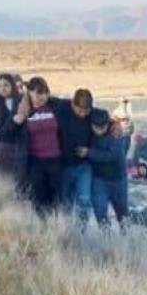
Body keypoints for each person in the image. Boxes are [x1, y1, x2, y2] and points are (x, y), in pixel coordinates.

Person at [53, 88, 107, 221]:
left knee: (84, 199)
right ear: (73, 104)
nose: (83, 114)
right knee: (65, 200)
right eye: (80, 110)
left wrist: (115, 124)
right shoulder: (61, 108)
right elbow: (44, 98)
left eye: (86, 111)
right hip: (63, 165)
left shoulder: (93, 113)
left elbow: (105, 118)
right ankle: (67, 230)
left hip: (84, 165)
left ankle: (81, 231)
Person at [12, 77, 62, 214]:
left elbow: (77, 107)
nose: (42, 98)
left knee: (55, 200)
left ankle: (55, 227)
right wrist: (16, 121)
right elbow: (7, 133)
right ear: (30, 94)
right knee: (38, 200)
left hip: (55, 161)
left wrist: (112, 120)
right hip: (35, 162)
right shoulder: (23, 109)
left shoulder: (55, 105)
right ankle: (42, 229)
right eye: (38, 95)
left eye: (45, 94)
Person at [78, 114, 129, 227]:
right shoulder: (89, 131)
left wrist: (89, 153)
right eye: (96, 128)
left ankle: (126, 239)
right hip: (99, 179)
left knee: (122, 213)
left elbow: (112, 156)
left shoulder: (116, 133)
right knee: (100, 211)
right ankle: (106, 238)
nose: (99, 131)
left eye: (102, 128)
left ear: (107, 125)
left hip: (118, 178)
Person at [0, 74, 26, 182]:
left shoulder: (22, 101)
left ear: (12, 86)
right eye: (0, 86)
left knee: (21, 179)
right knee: (6, 179)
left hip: (21, 146)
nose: (3, 88)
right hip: (4, 146)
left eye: (6, 85)